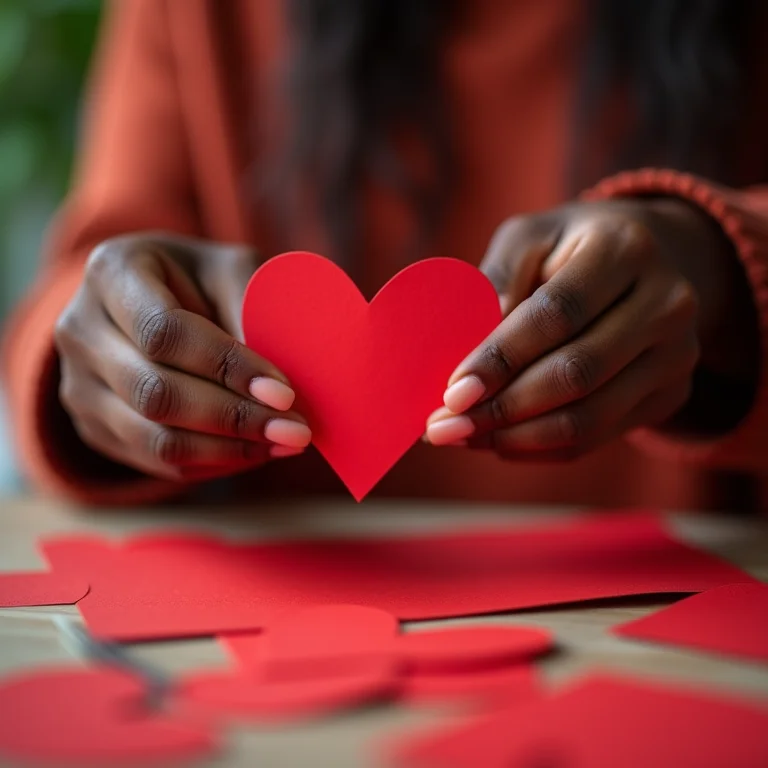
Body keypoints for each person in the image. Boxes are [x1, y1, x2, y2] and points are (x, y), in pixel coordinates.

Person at [3, 0, 768, 511]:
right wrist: (99, 362)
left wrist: (726, 268)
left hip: (668, 633)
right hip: (285, 638)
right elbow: (89, 272)